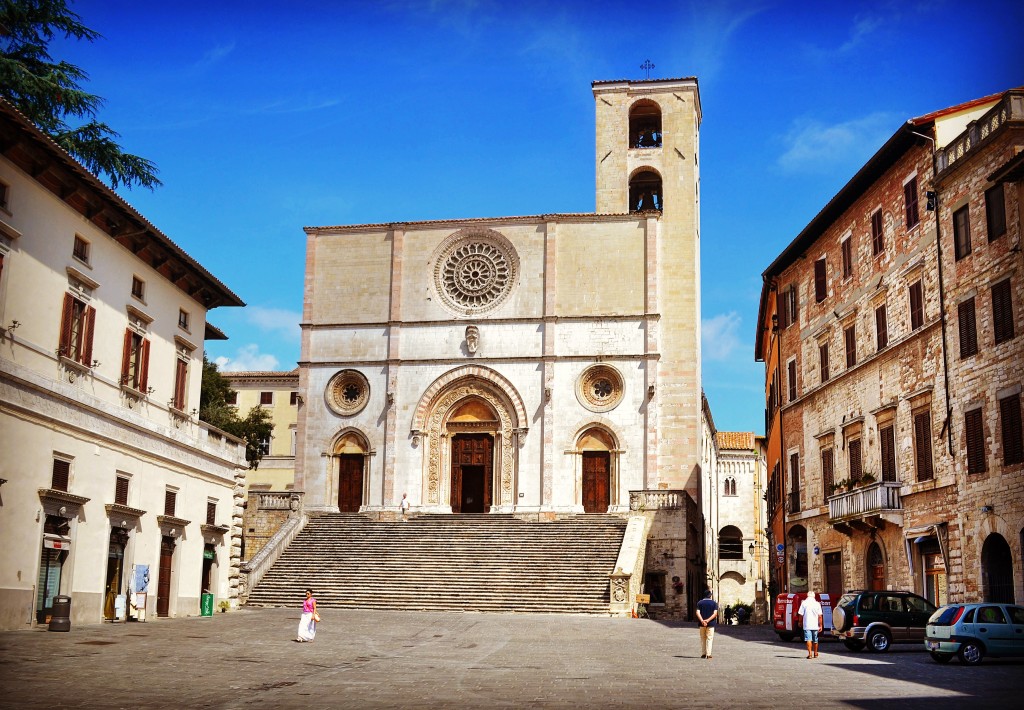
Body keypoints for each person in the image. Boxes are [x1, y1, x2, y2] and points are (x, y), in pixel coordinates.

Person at [797, 590, 824, 658]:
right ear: (814, 596)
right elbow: (820, 616)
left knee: (808, 639)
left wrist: (800, 622)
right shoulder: (817, 604)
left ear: (807, 596)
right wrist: (820, 625)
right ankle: (815, 653)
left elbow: (800, 614)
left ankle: (810, 654)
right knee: (815, 640)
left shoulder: (804, 603)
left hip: (807, 625)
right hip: (815, 625)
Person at [695, 589, 719, 659]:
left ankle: (703, 653)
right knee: (709, 638)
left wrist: (702, 621)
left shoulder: (700, 603)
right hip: (711, 623)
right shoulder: (714, 603)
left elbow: (697, 612)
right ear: (710, 596)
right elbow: (715, 614)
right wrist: (707, 620)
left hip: (702, 624)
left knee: (703, 638)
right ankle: (708, 654)